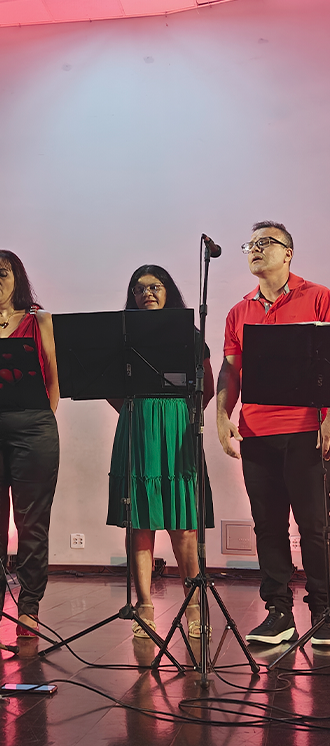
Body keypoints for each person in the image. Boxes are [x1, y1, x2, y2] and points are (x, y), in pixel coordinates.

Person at [217, 221, 330, 645]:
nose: (256, 249)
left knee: (315, 526)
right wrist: (222, 415)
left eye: (266, 242)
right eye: (251, 244)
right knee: (268, 526)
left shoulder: (319, 297)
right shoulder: (238, 311)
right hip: (257, 433)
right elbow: (231, 369)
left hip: (306, 430)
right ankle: (278, 612)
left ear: (288, 253)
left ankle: (324, 612)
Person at [107, 265, 214, 639]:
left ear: (169, 291)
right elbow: (108, 385)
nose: (147, 293)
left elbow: (206, 386)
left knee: (183, 521)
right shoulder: (122, 337)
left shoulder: (189, 334)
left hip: (176, 426)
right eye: (138, 289)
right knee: (139, 521)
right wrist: (137, 411)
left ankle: (194, 605)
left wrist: (177, 415)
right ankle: (144, 607)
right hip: (137, 427)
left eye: (155, 286)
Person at [0, 250, 59, 637]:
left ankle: (29, 607)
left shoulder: (40, 320)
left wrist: (43, 418)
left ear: (17, 278)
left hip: (32, 427)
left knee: (32, 522)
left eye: (2, 273)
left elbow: (53, 379)